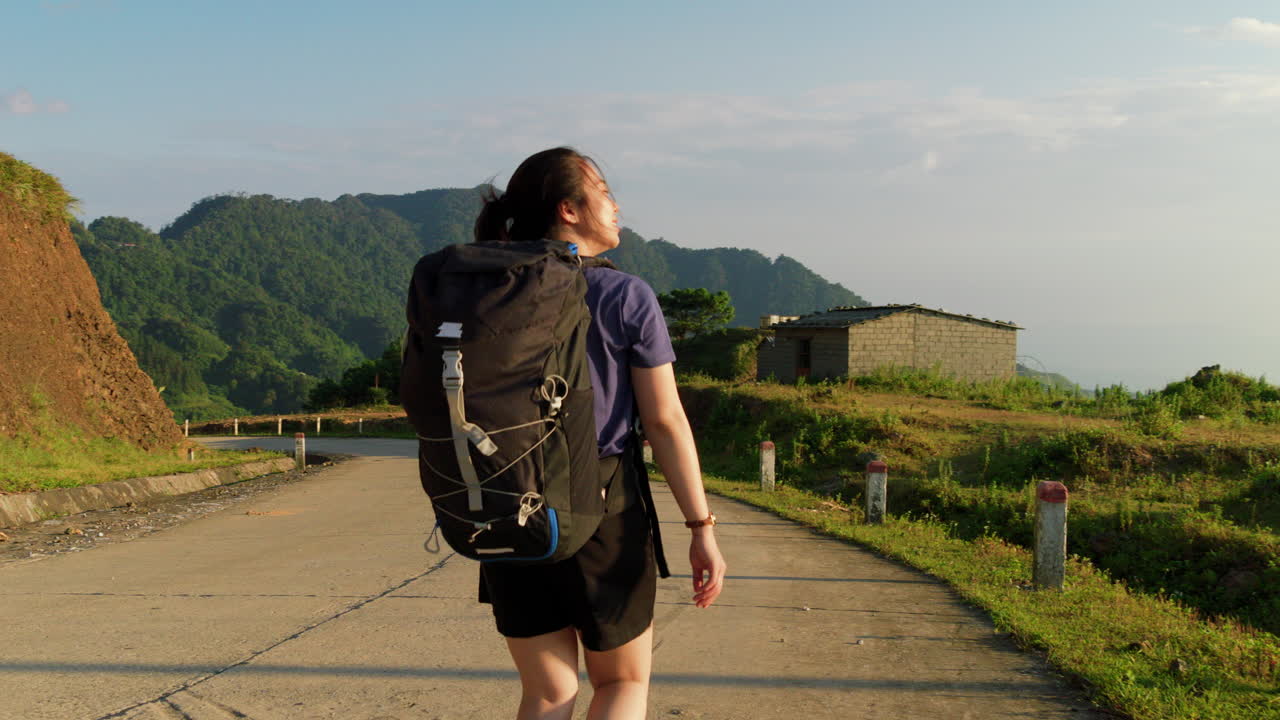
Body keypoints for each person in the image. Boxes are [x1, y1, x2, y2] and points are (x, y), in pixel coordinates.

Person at [471, 147, 727, 720]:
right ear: (568, 209)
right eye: (605, 193)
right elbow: (663, 421)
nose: (616, 206)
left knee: (546, 692)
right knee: (620, 684)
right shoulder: (624, 295)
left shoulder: (489, 293)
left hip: (510, 509)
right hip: (604, 511)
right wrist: (700, 527)